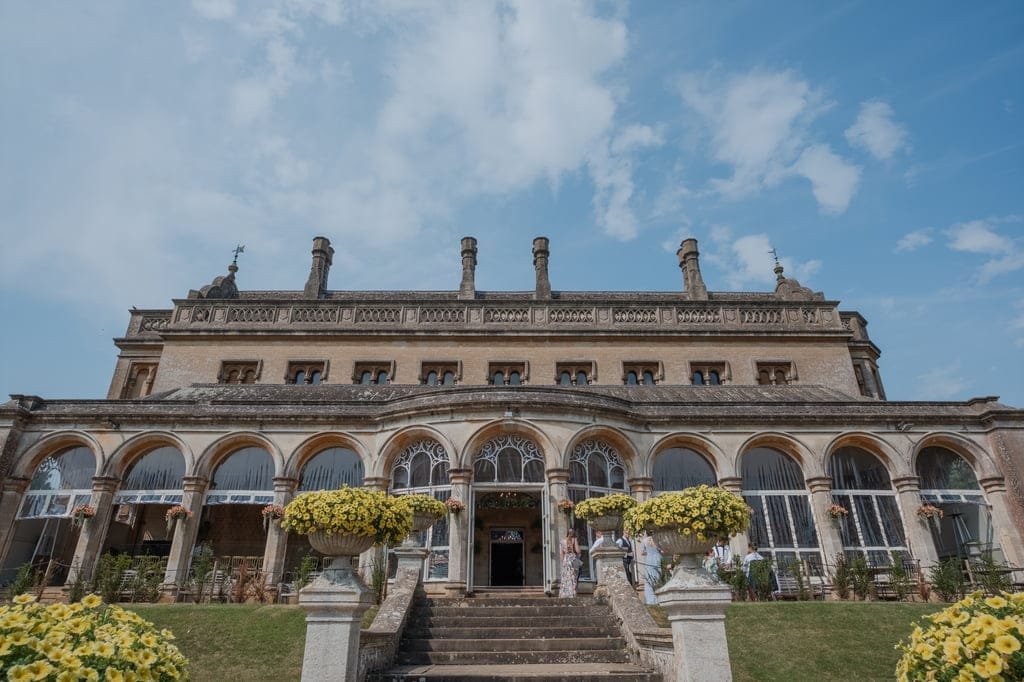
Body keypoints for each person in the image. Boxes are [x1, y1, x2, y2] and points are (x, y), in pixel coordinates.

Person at [639, 533, 663, 605]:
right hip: (657, 559)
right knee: (657, 577)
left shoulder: (644, 540)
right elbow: (661, 550)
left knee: (649, 578)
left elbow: (642, 552)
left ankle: (650, 599)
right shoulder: (657, 540)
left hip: (649, 559)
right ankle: (657, 599)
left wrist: (649, 552)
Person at [559, 529, 581, 597]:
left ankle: (564, 594)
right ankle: (572, 594)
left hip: (566, 560)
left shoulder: (562, 541)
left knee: (565, 578)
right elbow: (578, 551)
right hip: (572, 559)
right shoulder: (574, 540)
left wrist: (563, 563)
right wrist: (576, 541)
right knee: (573, 577)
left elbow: (561, 554)